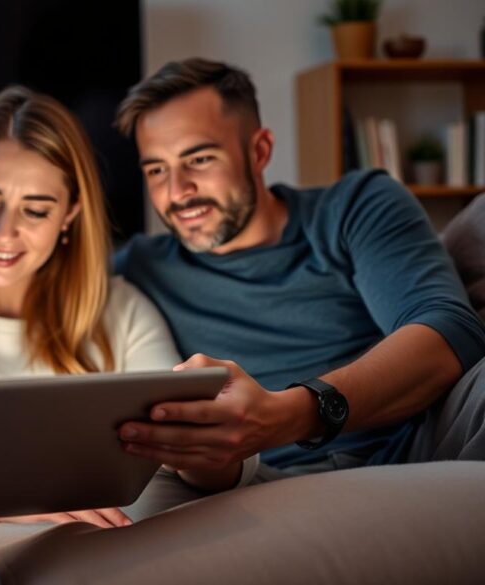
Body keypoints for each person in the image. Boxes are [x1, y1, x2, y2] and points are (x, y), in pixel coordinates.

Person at [0, 85, 259, 526]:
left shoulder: (119, 309)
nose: (4, 232)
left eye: (36, 211)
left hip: (107, 544)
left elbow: (195, 461)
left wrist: (207, 450)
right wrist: (14, 500)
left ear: (70, 213)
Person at [112, 58, 485, 483]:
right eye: (157, 170)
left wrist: (290, 413)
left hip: (416, 446)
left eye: (198, 159)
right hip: (260, 481)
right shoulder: (139, 267)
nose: (177, 192)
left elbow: (451, 331)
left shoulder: (355, 206)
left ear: (259, 151)